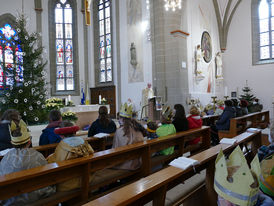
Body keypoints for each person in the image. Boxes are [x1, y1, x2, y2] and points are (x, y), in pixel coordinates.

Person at [0, 119, 55, 205]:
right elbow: (47, 176)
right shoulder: (37, 155)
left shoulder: (5, 158)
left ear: (12, 142)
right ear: (29, 142)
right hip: (34, 197)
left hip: (10, 199)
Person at [47, 121, 94, 192]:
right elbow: (91, 153)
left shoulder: (62, 146)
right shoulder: (84, 143)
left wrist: (49, 157)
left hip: (67, 184)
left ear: (61, 135)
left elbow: (56, 162)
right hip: (87, 178)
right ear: (75, 132)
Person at [112, 102, 144, 170]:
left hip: (125, 164)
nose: (119, 120)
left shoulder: (119, 131)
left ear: (122, 119)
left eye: (119, 118)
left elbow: (115, 149)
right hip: (137, 162)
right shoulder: (137, 128)